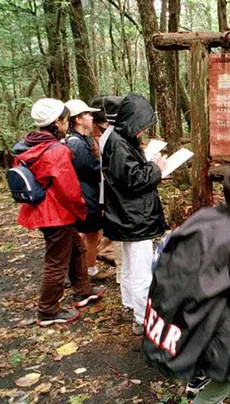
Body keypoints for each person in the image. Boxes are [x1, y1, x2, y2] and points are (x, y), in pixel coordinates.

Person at [143, 167, 230, 404]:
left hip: (167, 301)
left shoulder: (203, 216)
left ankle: (200, 374)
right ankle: (206, 399)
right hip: (194, 313)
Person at [12, 98, 104, 326]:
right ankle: (47, 310)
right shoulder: (56, 151)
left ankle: (83, 290)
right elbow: (69, 189)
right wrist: (81, 208)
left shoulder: (31, 144)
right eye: (64, 119)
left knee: (77, 249)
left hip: (44, 210)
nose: (66, 124)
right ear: (58, 122)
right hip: (56, 213)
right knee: (56, 262)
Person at [102, 93, 167, 335]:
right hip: (134, 217)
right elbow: (133, 179)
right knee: (141, 271)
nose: (142, 131)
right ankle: (143, 319)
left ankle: (130, 305)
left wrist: (147, 162)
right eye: (141, 126)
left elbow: (127, 172)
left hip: (126, 215)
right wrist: (156, 168)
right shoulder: (119, 143)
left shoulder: (119, 138)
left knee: (130, 265)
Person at [65, 99, 102, 278]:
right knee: (88, 232)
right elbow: (91, 169)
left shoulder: (82, 140)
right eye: (87, 114)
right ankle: (86, 271)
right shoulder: (75, 143)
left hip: (87, 192)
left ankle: (87, 269)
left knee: (91, 232)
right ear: (78, 119)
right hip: (84, 194)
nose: (91, 117)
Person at [90, 96, 124, 272]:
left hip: (104, 186)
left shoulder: (106, 133)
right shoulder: (97, 136)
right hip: (102, 187)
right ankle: (104, 254)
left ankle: (105, 250)